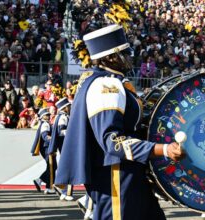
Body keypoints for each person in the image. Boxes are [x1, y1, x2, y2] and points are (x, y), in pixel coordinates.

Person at [55, 24, 184, 220]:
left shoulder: (110, 81)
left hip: (129, 172)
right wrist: (163, 149)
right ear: (111, 57)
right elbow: (112, 141)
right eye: (125, 52)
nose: (130, 57)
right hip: (116, 174)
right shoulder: (107, 85)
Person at [48, 98, 73, 201]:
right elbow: (61, 131)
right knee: (70, 169)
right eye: (69, 106)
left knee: (66, 168)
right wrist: (72, 131)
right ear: (65, 107)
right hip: (65, 146)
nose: (70, 107)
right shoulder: (63, 117)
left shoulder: (61, 116)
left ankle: (63, 190)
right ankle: (66, 191)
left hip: (64, 146)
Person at [30, 108, 56, 194]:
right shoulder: (45, 124)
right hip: (47, 148)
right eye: (46, 115)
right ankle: (49, 187)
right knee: (52, 167)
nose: (48, 116)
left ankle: (39, 180)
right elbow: (45, 137)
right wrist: (54, 139)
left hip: (46, 148)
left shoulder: (44, 124)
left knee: (52, 166)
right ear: (42, 116)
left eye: (48, 114)